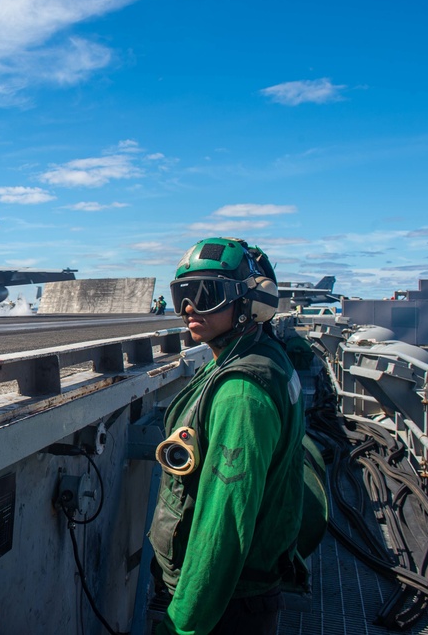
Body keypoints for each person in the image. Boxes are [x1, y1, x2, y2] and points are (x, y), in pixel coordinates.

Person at [148, 237, 304, 635]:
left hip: (224, 607)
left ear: (252, 302)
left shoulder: (241, 394)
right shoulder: (259, 356)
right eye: (182, 294)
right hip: (241, 596)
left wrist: (182, 625)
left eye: (206, 294)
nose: (188, 309)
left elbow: (223, 529)